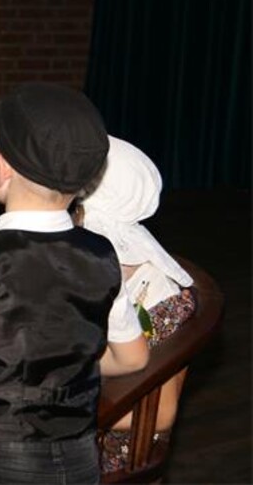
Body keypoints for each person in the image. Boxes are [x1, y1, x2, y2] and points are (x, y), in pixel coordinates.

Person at [0, 83, 149, 484]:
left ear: (3, 167)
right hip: (79, 457)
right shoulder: (102, 255)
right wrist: (62, 369)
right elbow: (133, 358)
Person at [78, 135, 196, 472]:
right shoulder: (88, 272)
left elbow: (161, 414)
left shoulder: (159, 296)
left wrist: (48, 416)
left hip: (106, 448)